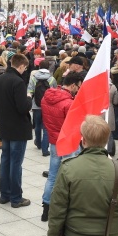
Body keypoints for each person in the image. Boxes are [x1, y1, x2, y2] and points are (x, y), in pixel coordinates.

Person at [47, 116, 118, 236]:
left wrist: (53, 235)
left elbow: (58, 208)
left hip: (76, 234)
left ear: (83, 140)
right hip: (111, 235)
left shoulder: (68, 168)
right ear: (106, 140)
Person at [39, 71, 84, 222]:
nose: (79, 89)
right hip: (69, 143)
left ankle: (46, 208)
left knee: (52, 176)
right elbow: (75, 125)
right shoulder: (69, 103)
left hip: (53, 141)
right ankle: (69, 208)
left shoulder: (47, 97)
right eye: (78, 86)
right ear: (72, 85)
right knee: (71, 177)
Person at [0, 53, 32, 208]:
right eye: (24, 68)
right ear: (21, 66)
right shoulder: (18, 82)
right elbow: (23, 107)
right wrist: (28, 98)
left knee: (5, 161)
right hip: (18, 128)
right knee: (16, 163)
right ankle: (16, 198)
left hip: (4, 126)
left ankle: (4, 194)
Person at [27, 59, 57, 157]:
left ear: (39, 67)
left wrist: (29, 103)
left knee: (37, 125)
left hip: (36, 105)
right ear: (48, 67)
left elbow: (30, 91)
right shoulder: (52, 79)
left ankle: (38, 143)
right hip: (48, 106)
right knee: (46, 128)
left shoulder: (33, 78)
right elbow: (55, 93)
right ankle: (45, 149)